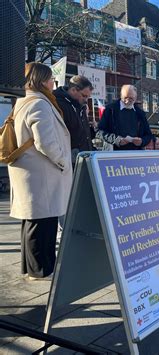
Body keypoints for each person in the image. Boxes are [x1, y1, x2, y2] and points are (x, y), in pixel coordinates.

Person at [8, 62, 73, 280]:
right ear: (43, 80)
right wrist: (63, 161)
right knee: (43, 225)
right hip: (42, 174)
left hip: (31, 173)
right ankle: (41, 270)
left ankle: (32, 268)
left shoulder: (23, 102)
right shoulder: (40, 103)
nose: (53, 83)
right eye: (51, 79)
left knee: (32, 222)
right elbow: (45, 142)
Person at [96, 85, 154, 150]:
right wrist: (116, 140)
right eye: (125, 97)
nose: (127, 101)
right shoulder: (110, 110)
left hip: (135, 154)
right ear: (121, 96)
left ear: (135, 98)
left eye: (131, 98)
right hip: (113, 154)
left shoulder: (140, 113)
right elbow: (99, 131)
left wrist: (142, 141)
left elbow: (148, 135)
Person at [53, 75, 94, 166]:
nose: (86, 100)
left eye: (88, 97)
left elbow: (81, 131)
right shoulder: (59, 104)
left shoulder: (80, 105)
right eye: (84, 96)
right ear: (73, 90)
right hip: (69, 161)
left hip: (83, 158)